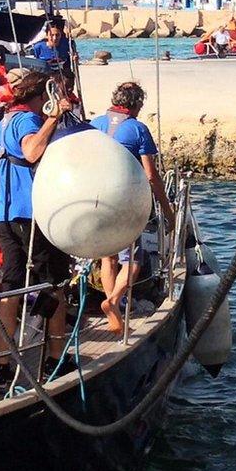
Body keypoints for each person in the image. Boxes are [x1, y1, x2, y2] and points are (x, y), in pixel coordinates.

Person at [0, 68, 78, 358]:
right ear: (44, 95)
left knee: (11, 287)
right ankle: (55, 356)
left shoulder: (2, 122)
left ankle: (2, 362)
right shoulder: (28, 119)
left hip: (5, 215)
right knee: (55, 284)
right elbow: (30, 152)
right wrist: (53, 118)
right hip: (30, 214)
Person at [90, 81, 177, 333]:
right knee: (134, 258)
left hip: (98, 200)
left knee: (109, 256)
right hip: (126, 201)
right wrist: (167, 210)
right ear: (136, 104)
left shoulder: (95, 125)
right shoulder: (138, 129)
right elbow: (151, 175)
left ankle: (112, 314)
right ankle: (114, 301)